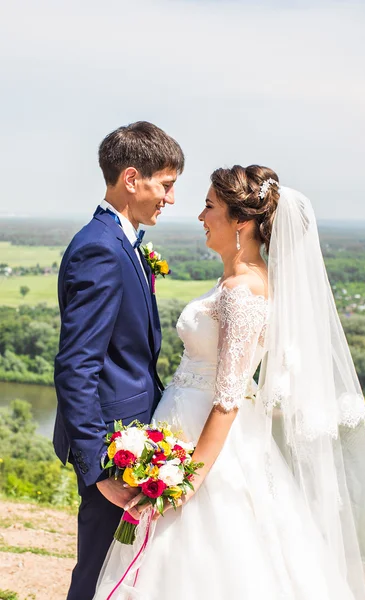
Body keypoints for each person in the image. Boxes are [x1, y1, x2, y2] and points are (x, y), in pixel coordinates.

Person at [94, 165, 365, 600]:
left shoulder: (243, 290)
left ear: (242, 221)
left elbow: (228, 399)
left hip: (207, 444)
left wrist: (190, 481)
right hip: (185, 425)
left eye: (209, 206)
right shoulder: (236, 281)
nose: (200, 216)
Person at [53, 121, 185, 600]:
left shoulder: (121, 240)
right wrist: (101, 470)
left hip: (134, 436)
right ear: (132, 179)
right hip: (115, 450)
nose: (170, 199)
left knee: (123, 572)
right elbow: (76, 367)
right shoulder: (101, 248)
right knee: (98, 573)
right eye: (166, 185)